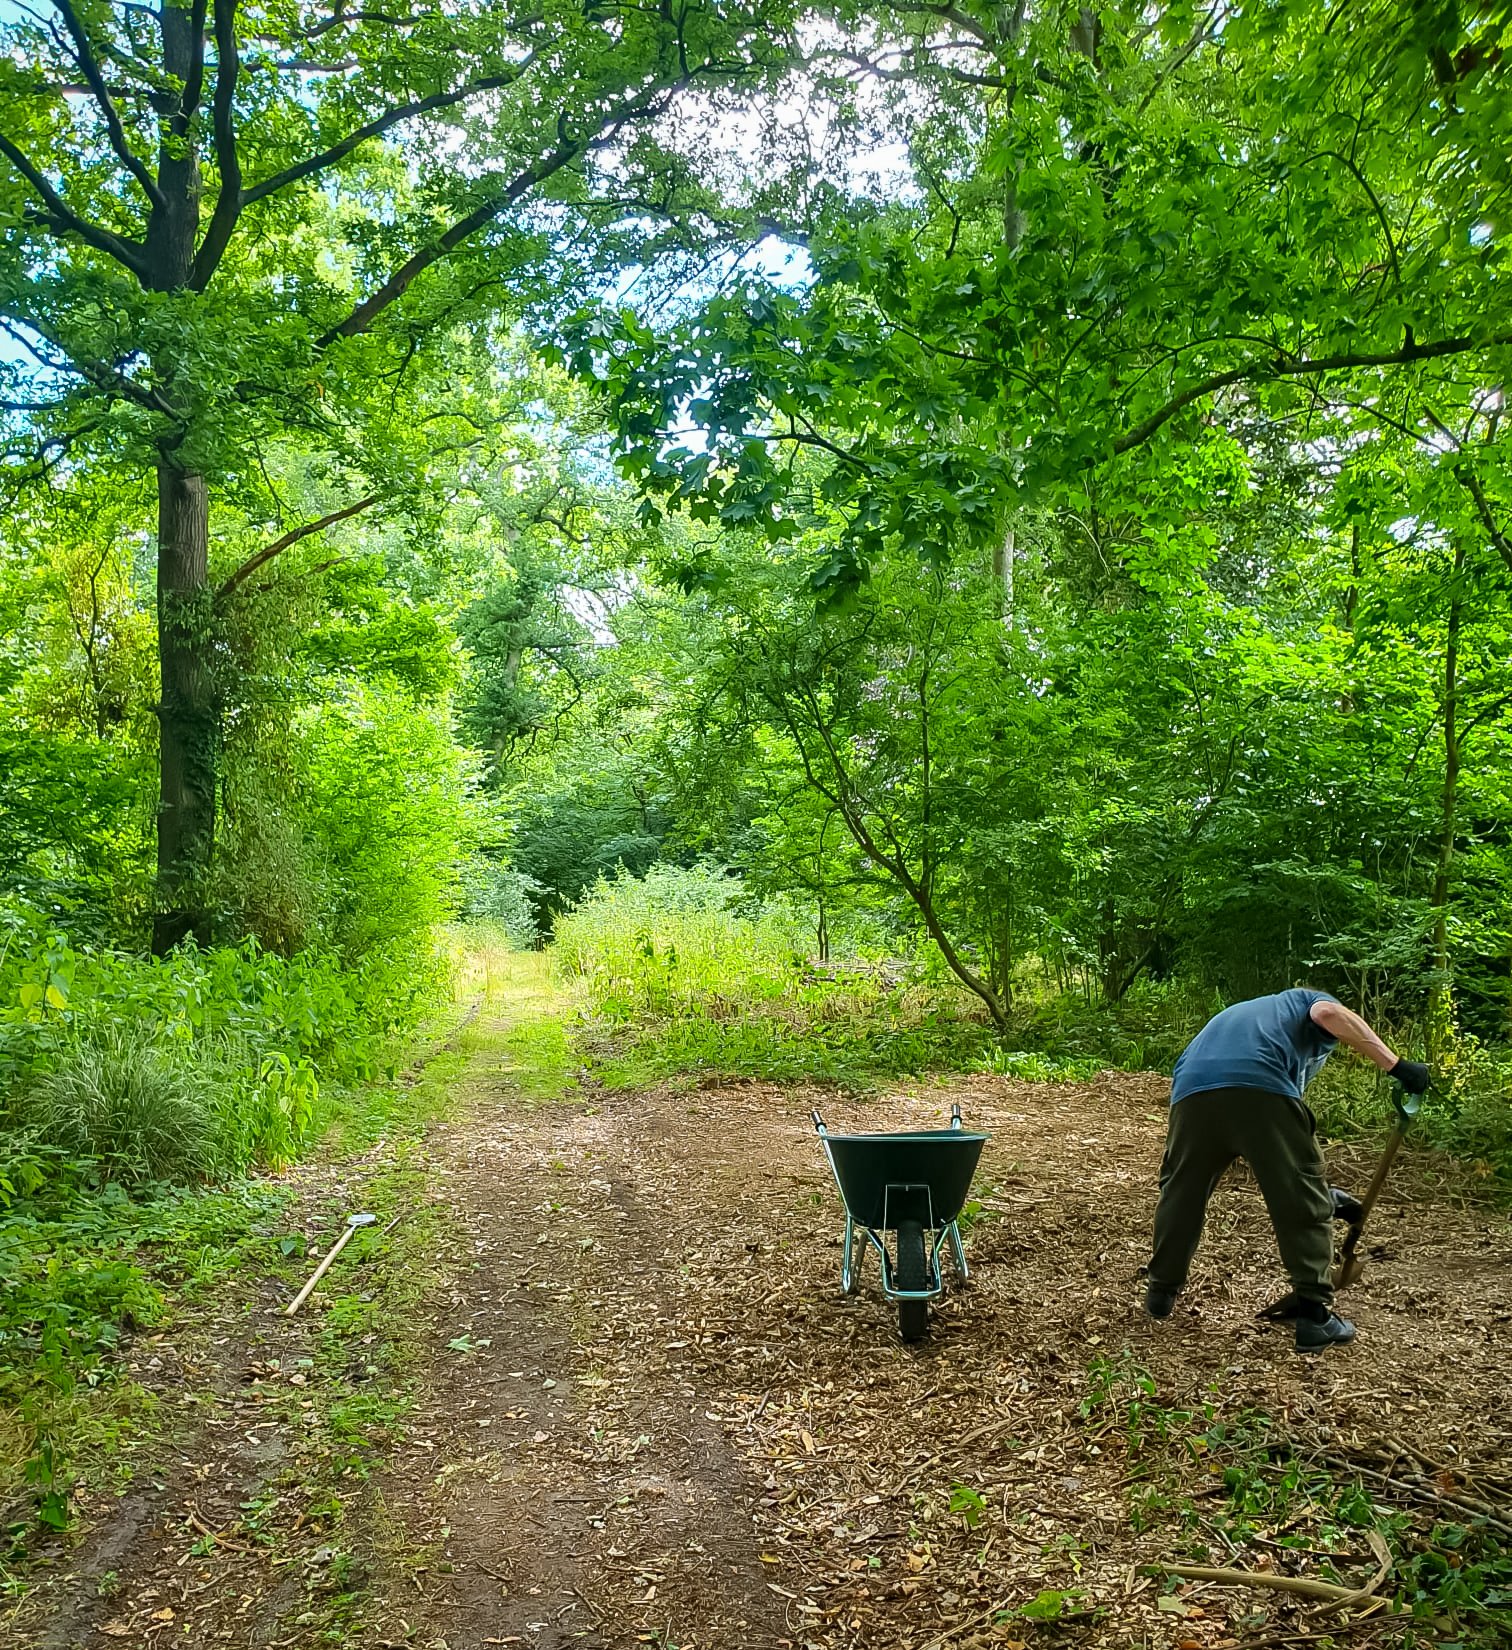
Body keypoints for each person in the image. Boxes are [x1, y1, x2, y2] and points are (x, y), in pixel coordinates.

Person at [1144, 987, 1431, 1352]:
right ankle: (1314, 1316)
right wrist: (1397, 1065)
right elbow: (1329, 1016)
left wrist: (1321, 1195)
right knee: (1298, 1194)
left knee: (1182, 1191)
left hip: (1190, 1090)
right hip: (1258, 1080)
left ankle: (1160, 1293)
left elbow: (1255, 1132)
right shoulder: (1310, 1002)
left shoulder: (1253, 1016)